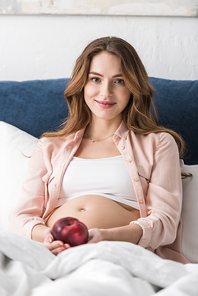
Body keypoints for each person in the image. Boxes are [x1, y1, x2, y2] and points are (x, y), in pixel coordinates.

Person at [9, 36, 189, 263]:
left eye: (119, 81)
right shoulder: (49, 146)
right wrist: (47, 236)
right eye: (96, 79)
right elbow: (21, 217)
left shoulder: (159, 143)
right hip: (52, 255)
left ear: (133, 87)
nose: (106, 93)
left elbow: (165, 222)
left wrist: (104, 237)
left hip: (118, 256)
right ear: (82, 84)